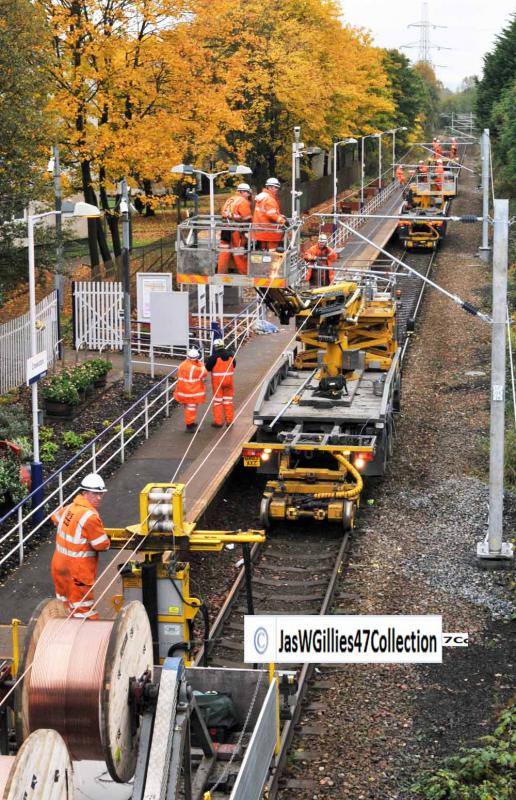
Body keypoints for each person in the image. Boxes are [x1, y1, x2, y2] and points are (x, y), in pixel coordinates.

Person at [51, 473, 110, 620]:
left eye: (101, 494)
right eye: (95, 494)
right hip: (78, 571)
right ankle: (89, 637)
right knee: (83, 608)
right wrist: (108, 540)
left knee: (64, 605)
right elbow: (101, 545)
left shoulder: (70, 508)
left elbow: (55, 518)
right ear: (84, 493)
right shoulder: (90, 516)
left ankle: (63, 635)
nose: (99, 497)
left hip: (59, 566)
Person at [217, 183, 252, 275]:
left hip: (225, 228)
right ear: (242, 192)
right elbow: (247, 219)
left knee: (224, 251)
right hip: (236, 230)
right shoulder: (242, 201)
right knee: (239, 252)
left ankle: (221, 272)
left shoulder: (231, 199)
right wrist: (247, 231)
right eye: (247, 193)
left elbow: (223, 213)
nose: (248, 195)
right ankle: (244, 273)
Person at [174, 347, 208, 432]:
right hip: (191, 392)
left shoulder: (182, 364)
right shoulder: (194, 368)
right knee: (191, 408)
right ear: (197, 357)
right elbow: (204, 373)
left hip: (183, 390)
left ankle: (191, 423)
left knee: (188, 408)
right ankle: (189, 426)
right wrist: (201, 364)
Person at [205, 338, 236, 427]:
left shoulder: (214, 357)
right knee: (228, 401)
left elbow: (207, 368)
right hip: (229, 382)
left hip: (218, 383)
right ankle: (229, 421)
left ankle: (218, 422)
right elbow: (234, 365)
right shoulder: (231, 355)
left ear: (215, 347)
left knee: (218, 402)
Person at [252, 177, 286, 250]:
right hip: (270, 232)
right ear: (270, 187)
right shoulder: (270, 199)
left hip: (260, 230)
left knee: (262, 252)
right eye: (276, 187)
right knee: (272, 254)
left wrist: (279, 215)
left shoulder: (262, 197)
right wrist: (283, 221)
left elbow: (265, 212)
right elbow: (271, 214)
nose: (277, 189)